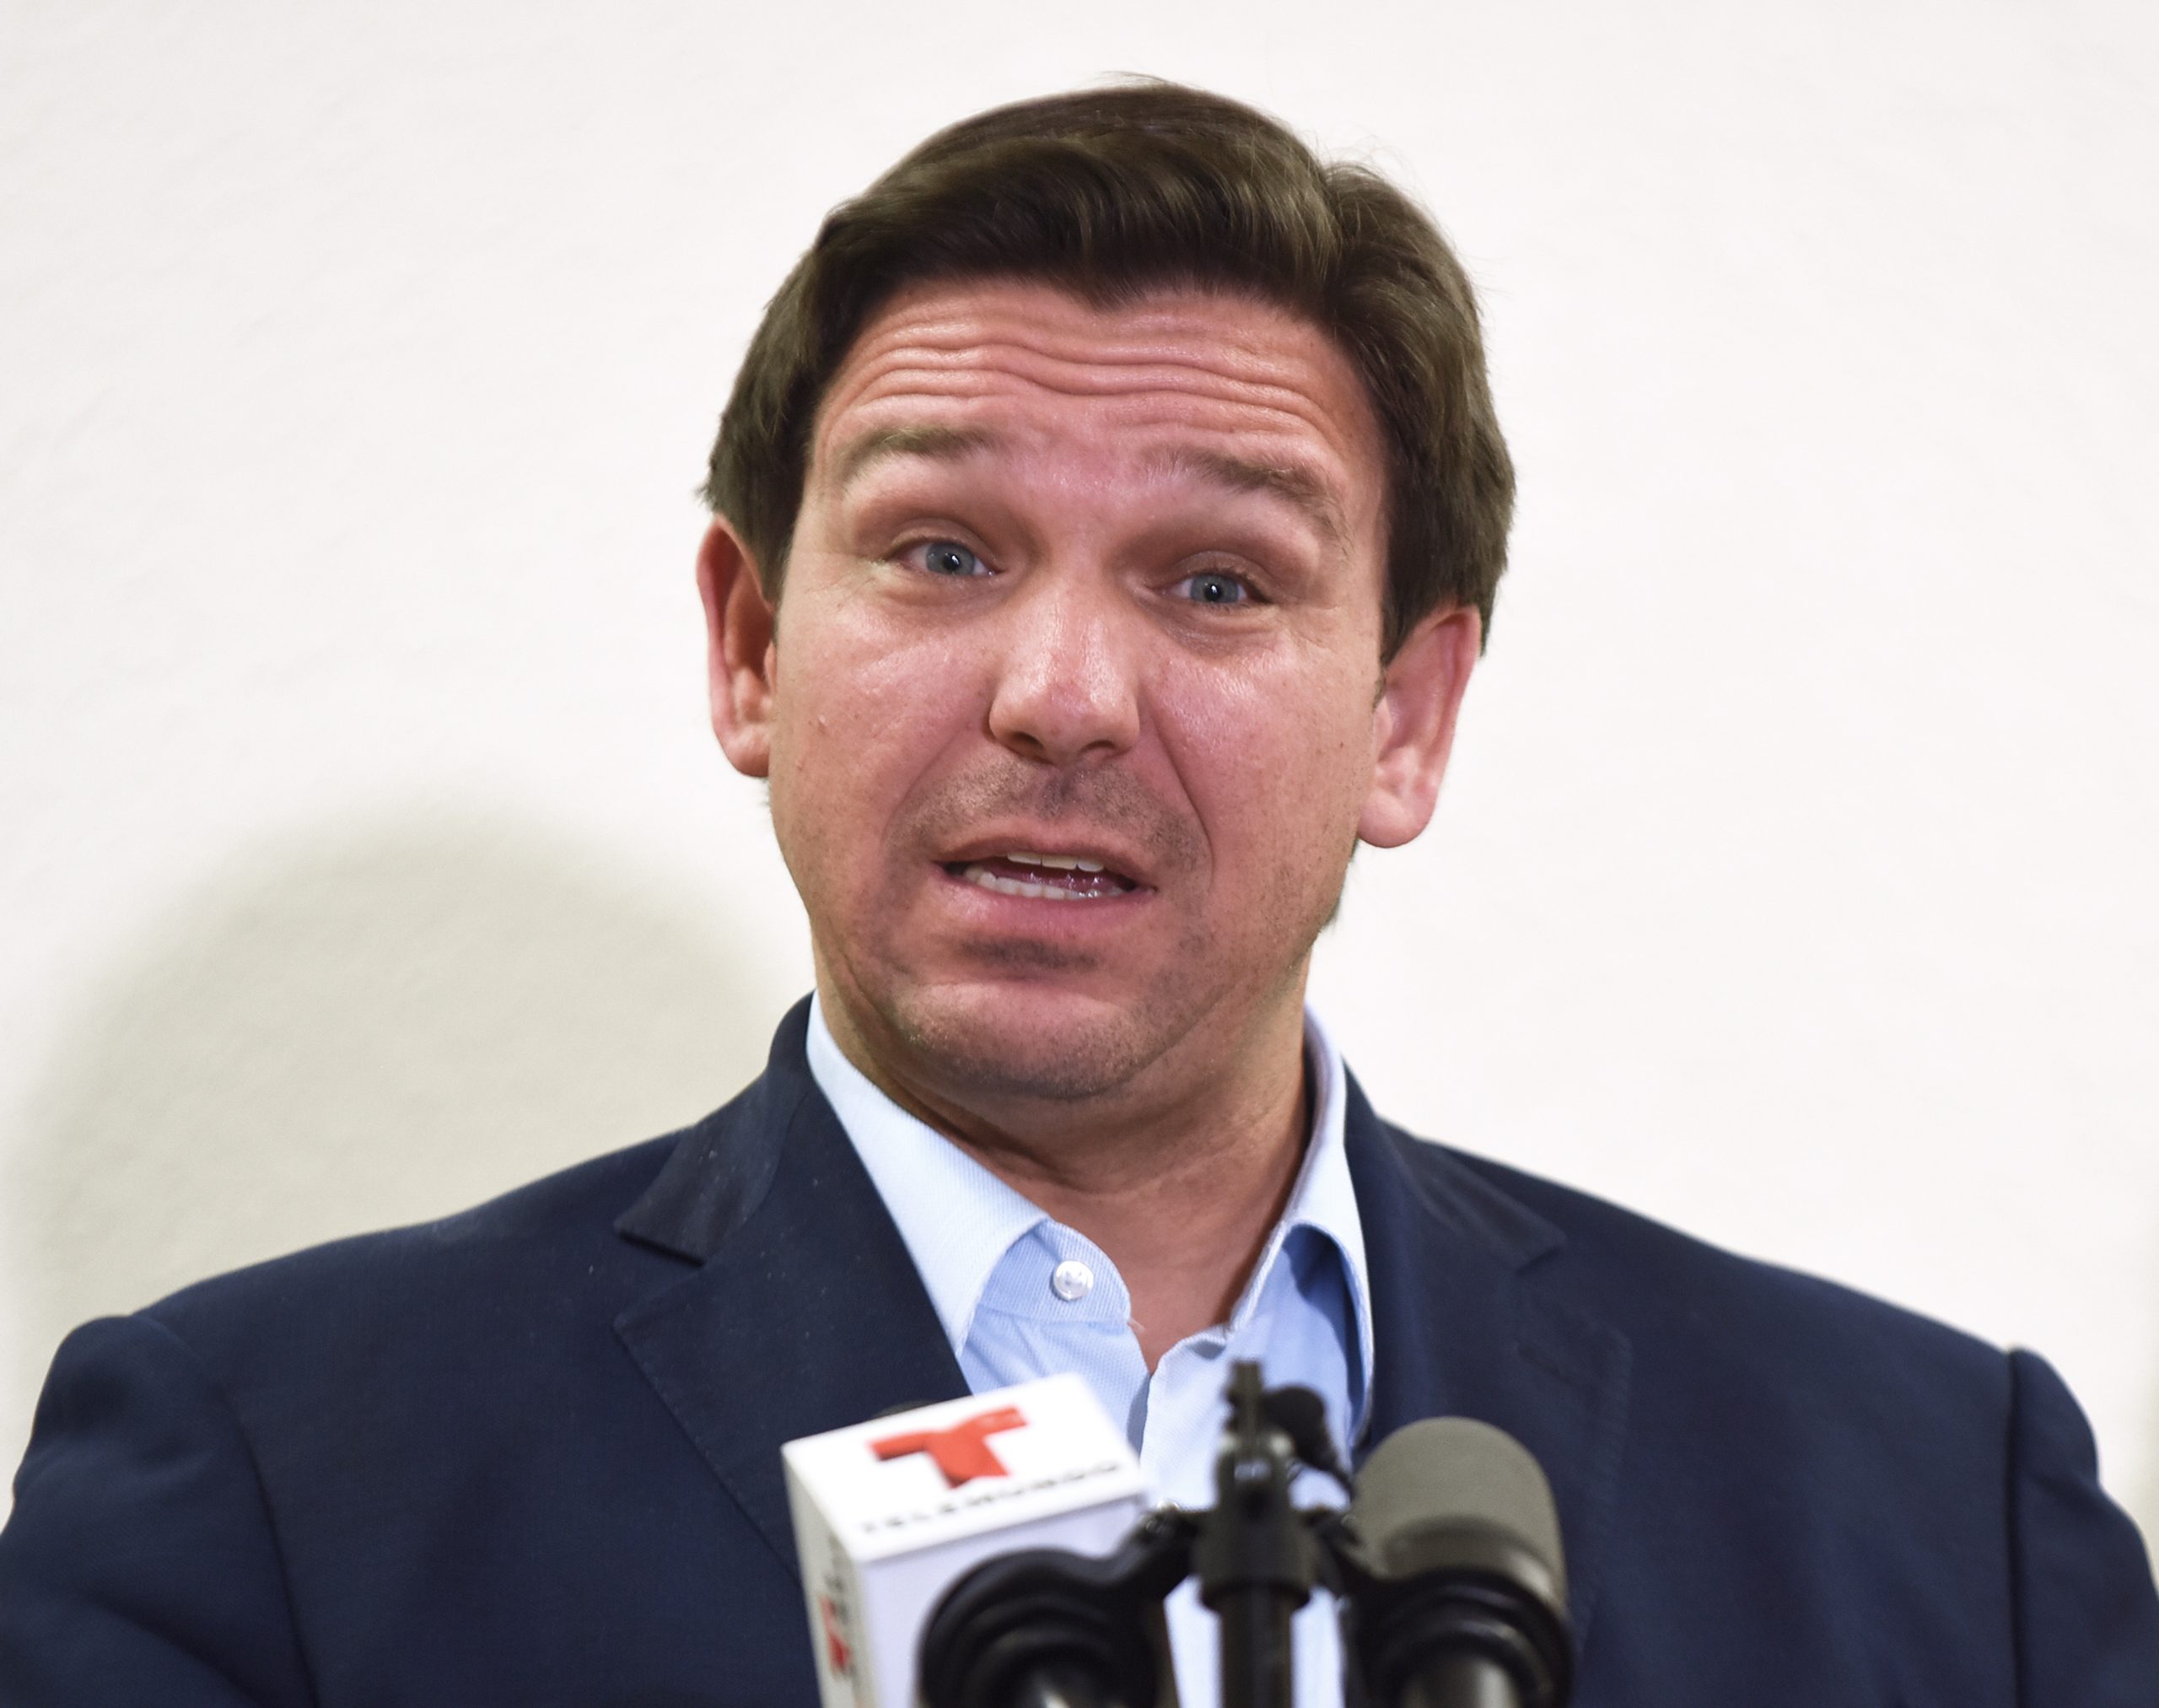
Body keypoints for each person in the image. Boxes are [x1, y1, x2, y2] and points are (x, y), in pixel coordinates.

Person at [3, 81, 2154, 1707]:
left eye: (1216, 580)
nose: (1058, 695)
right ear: (751, 645)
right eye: (941, 553)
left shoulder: (1938, 1511)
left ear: (1406, 714)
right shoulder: (270, 1484)